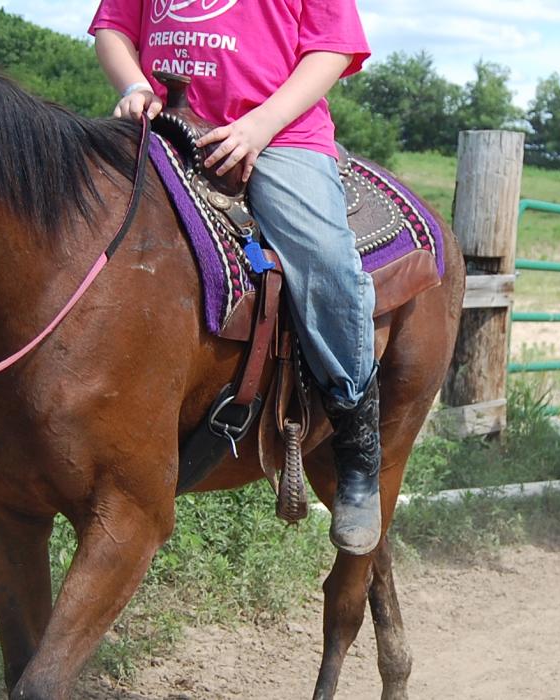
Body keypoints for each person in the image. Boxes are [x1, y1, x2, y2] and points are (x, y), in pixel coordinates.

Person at [90, 0, 385, 555]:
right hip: (161, 123)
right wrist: (134, 84)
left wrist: (258, 125)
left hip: (277, 135)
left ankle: (357, 449)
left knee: (324, 261)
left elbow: (331, 49)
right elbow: (113, 28)